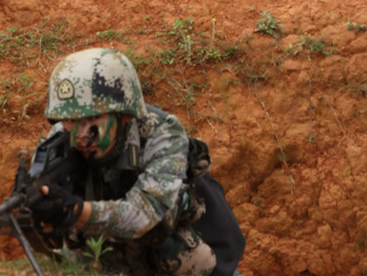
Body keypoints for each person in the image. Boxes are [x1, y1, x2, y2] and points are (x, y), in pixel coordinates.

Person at [29, 48, 245, 276]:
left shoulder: (162, 133)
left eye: (93, 118)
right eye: (70, 120)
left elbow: (143, 214)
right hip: (108, 260)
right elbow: (53, 244)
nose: (81, 134)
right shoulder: (58, 145)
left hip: (174, 258)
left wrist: (74, 211)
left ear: (125, 115)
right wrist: (45, 220)